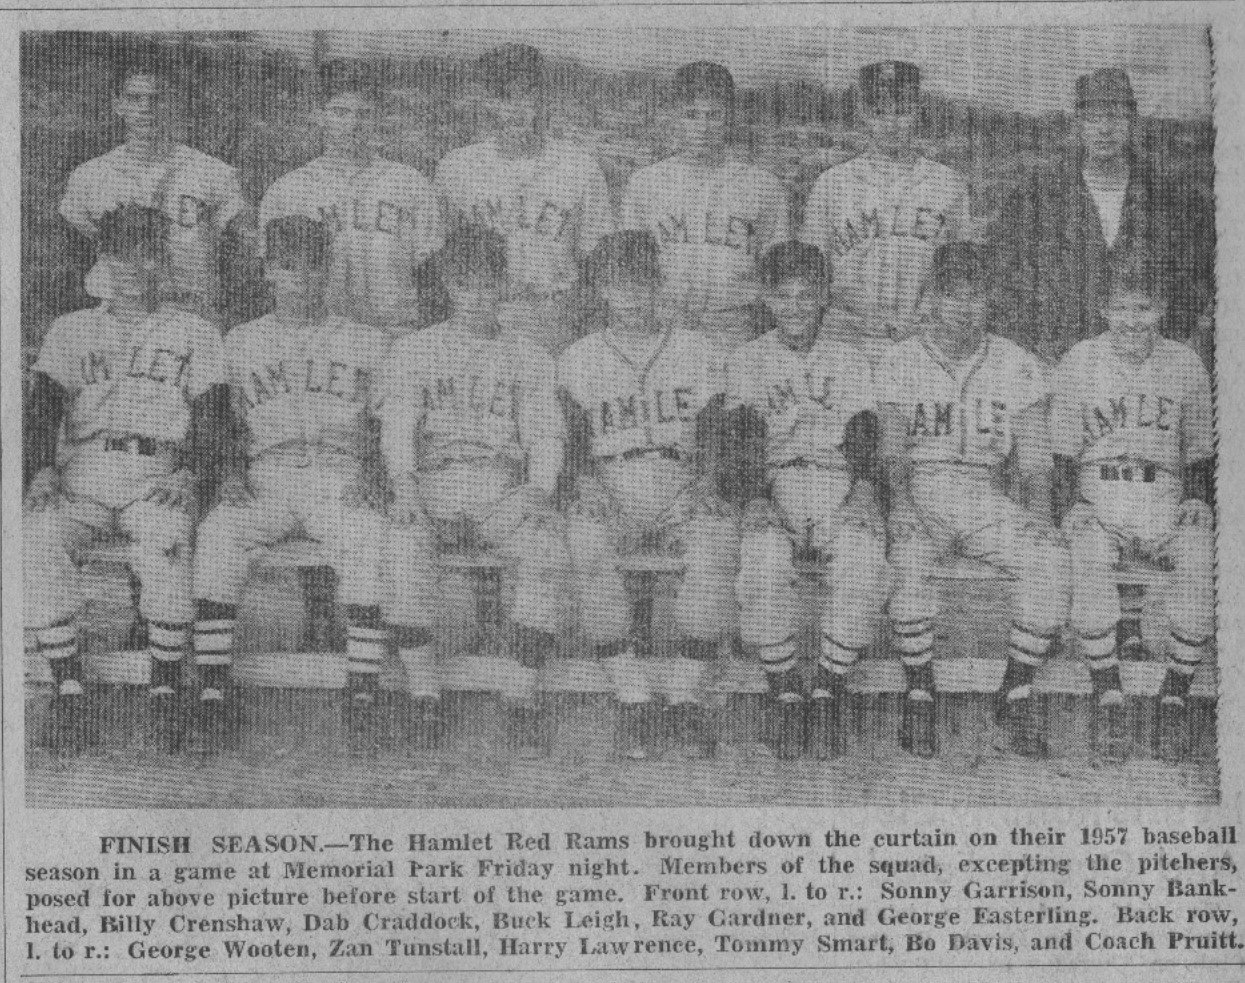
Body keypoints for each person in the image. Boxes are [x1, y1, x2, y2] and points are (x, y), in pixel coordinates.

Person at [24, 204, 228, 753]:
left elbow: (213, 415)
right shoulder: (72, 328)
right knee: (36, 536)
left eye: (145, 254)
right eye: (121, 255)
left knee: (165, 542)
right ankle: (69, 685)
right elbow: (42, 406)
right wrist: (40, 468)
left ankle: (164, 687)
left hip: (156, 469)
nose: (133, 268)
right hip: (83, 469)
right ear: (103, 260)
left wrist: (192, 471)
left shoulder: (194, 331)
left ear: (161, 260)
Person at [191, 216, 393, 752]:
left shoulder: (367, 340)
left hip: (338, 472)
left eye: (311, 268)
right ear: (267, 272)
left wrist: (373, 472)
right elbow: (221, 422)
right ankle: (212, 690)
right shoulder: (240, 341)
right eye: (286, 268)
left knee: (369, 535)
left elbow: (385, 421)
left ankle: (364, 691)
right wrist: (230, 473)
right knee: (217, 534)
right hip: (268, 475)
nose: (299, 280)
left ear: (327, 272)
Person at [376, 226, 570, 758]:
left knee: (547, 547)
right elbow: (397, 424)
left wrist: (539, 489)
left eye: (488, 284)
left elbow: (545, 434)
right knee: (401, 544)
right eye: (465, 284)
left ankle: (521, 696)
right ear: (448, 286)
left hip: (496, 483)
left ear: (503, 286)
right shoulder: (414, 348)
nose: (477, 296)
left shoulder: (529, 355)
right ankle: (424, 693)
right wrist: (403, 485)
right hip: (434, 479)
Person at [878, 242, 1070, 758]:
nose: (963, 308)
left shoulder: (1015, 361)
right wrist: (897, 507)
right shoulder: (901, 359)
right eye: (951, 296)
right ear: (932, 299)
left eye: (976, 296)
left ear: (991, 301)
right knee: (908, 557)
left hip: (985, 491)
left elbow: (1034, 457)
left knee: (1049, 558)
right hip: (921, 483)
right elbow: (892, 451)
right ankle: (919, 688)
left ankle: (1017, 688)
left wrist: (1041, 516)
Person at [558, 231, 739, 760]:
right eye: (618, 286)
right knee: (585, 542)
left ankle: (682, 695)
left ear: (659, 285)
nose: (631, 296)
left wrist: (707, 482)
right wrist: (584, 480)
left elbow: (714, 429)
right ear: (601, 291)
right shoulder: (578, 357)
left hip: (679, 480)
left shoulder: (699, 349)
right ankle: (634, 697)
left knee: (718, 539)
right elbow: (568, 436)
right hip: (612, 482)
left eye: (641, 283)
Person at [728, 242, 889, 759]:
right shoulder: (749, 358)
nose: (795, 306)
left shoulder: (847, 357)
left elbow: (864, 429)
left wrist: (864, 488)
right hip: (778, 480)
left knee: (864, 559)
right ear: (766, 299)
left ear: (823, 298)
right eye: (783, 296)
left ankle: (827, 686)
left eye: (806, 295)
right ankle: (784, 689)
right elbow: (743, 435)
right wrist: (754, 498)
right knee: (765, 558)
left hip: (837, 478)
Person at [1053, 256, 1215, 764]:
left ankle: (1174, 692)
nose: (1130, 319)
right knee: (1087, 555)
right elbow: (1062, 447)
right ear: (1103, 309)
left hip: (1162, 489)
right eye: (1120, 307)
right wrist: (1072, 502)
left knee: (1200, 555)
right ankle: (1108, 694)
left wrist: (1195, 497)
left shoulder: (1185, 362)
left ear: (1161, 309)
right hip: (1100, 486)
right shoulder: (1081, 358)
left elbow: (1199, 448)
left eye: (1142, 307)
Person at [992, 68, 1216, 364]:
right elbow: (1004, 275)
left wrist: (1162, 343)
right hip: (1057, 362)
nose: (1104, 129)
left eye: (1115, 117)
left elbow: (1197, 277)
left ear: (1132, 121)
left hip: (1148, 363)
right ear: (1078, 124)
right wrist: (1037, 350)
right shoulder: (1036, 196)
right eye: (1093, 118)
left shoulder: (1172, 197)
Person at [436, 43, 614, 354]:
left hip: (551, 317)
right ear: (488, 103)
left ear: (543, 99)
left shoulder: (580, 167)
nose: (517, 109)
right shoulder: (456, 167)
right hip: (478, 319)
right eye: (504, 97)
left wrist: (579, 325)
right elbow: (440, 259)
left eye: (527, 96)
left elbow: (597, 264)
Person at [258, 59, 444, 334]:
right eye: (340, 112)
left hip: (395, 330)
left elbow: (431, 274)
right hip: (321, 335)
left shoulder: (409, 182)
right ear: (319, 115)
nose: (353, 124)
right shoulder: (288, 190)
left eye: (364, 113)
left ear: (377, 116)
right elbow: (273, 278)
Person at [621, 61, 788, 363]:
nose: (702, 126)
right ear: (673, 117)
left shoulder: (763, 185)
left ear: (729, 119)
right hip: (665, 326)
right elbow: (631, 271)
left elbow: (778, 274)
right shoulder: (645, 183)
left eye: (713, 115)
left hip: (734, 328)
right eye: (691, 115)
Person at [58, 55, 248, 321]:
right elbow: (82, 247)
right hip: (120, 307)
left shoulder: (213, 173)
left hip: (188, 306)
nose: (146, 108)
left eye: (157, 98)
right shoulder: (90, 175)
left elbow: (232, 256)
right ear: (118, 105)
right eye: (135, 98)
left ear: (173, 103)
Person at [800, 60, 969, 344]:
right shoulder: (831, 184)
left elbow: (961, 272)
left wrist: (926, 313)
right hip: (848, 336)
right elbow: (810, 274)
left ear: (917, 112)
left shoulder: (948, 184)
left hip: (922, 337)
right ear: (863, 114)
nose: (891, 124)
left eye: (902, 112)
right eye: (879, 113)